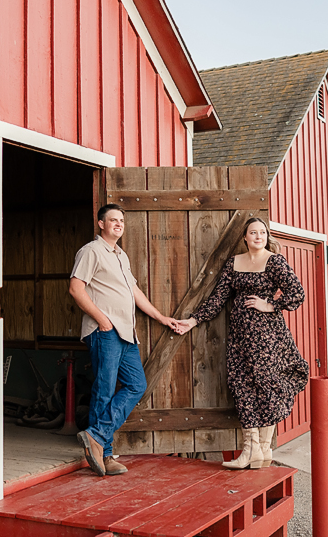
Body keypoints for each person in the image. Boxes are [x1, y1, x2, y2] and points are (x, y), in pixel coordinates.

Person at [174, 217, 309, 470]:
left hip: (268, 336)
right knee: (241, 384)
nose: (258, 236)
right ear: (244, 237)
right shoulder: (234, 263)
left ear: (267, 236)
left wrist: (270, 305)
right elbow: (219, 297)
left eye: (262, 232)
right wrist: (194, 320)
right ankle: (252, 451)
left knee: (267, 386)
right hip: (240, 338)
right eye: (253, 232)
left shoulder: (274, 261)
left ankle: (263, 450)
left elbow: (297, 293)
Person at [69, 203, 178, 477]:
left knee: (136, 385)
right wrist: (102, 320)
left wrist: (161, 317)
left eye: (121, 220)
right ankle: (104, 455)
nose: (118, 224)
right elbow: (75, 288)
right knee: (104, 390)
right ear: (101, 224)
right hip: (105, 331)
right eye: (113, 220)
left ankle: (96, 435)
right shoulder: (91, 251)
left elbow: (134, 291)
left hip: (127, 333)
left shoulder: (121, 255)